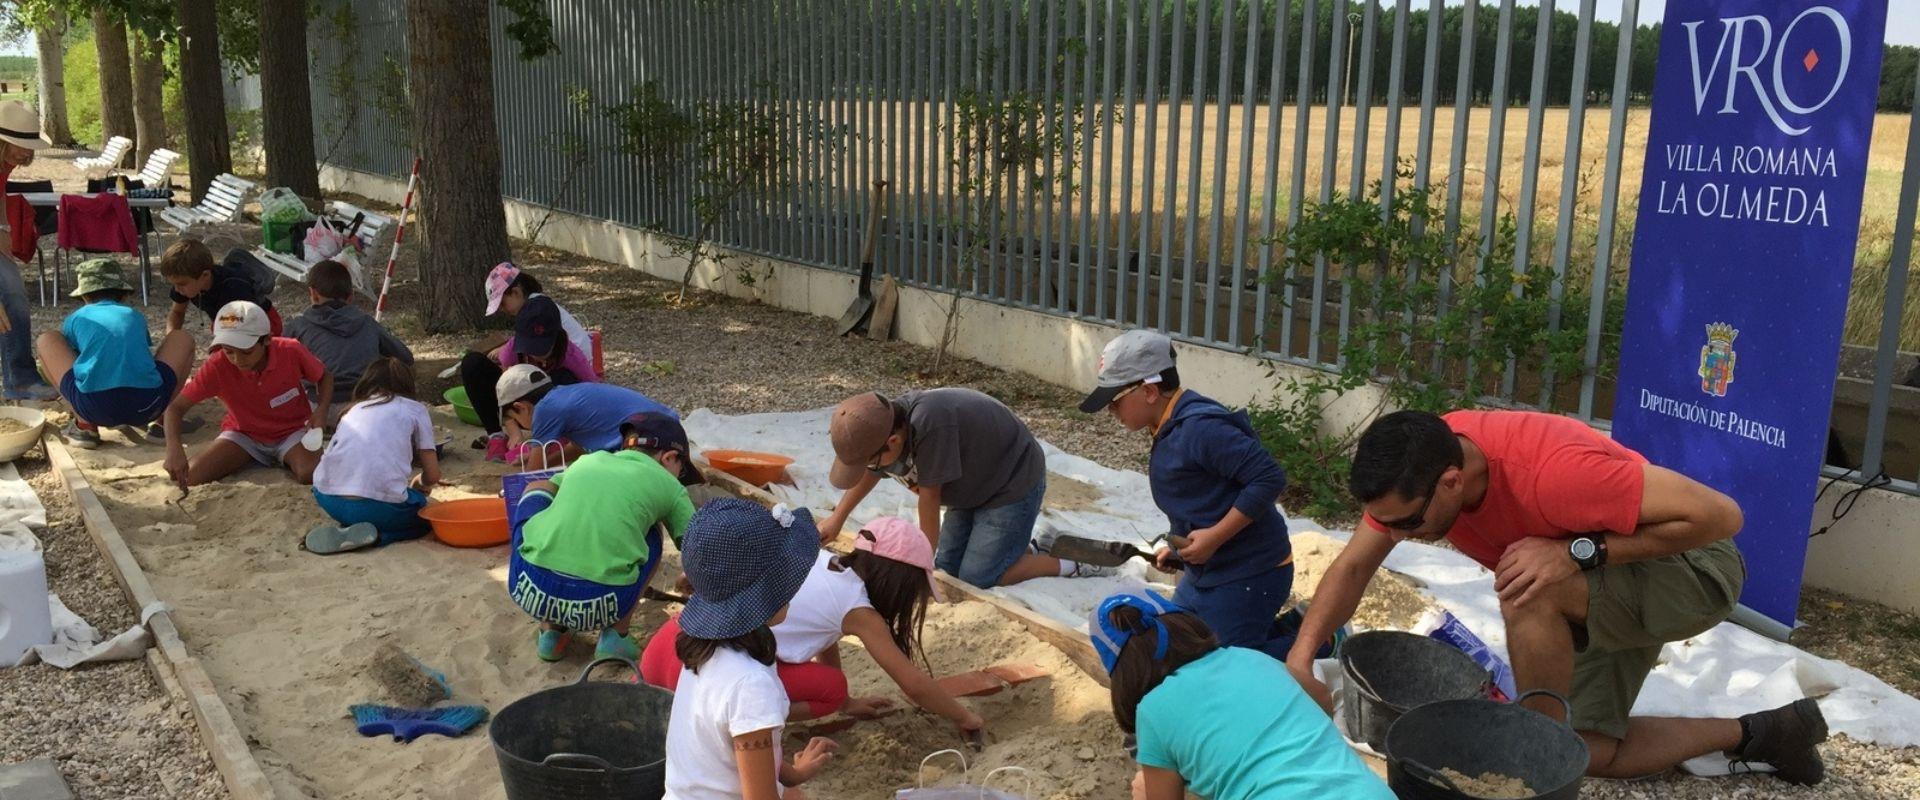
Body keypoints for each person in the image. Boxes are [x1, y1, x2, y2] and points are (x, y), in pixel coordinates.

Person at [1285, 410, 1831, 784]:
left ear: (1451, 481)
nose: (1397, 535)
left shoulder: (1553, 474)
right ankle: (1768, 733)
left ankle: (1529, 767)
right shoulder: (1420, 463)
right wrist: (1302, 657)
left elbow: (1720, 517)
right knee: (1589, 752)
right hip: (1600, 579)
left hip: (1690, 567)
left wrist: (1577, 553)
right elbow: (1355, 564)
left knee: (1526, 589)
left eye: (1407, 523)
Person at [1078, 330, 1333, 661]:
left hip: (1251, 571)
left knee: (1226, 662)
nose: (1111, 410)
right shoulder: (1167, 424)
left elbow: (1268, 477)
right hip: (1210, 571)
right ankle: (1290, 625)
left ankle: (1324, 641)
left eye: (1115, 401)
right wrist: (1179, 547)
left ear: (1149, 391)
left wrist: (1214, 537)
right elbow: (1205, 497)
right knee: (1182, 643)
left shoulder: (1200, 428)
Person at [641, 516, 986, 739]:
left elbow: (825, 633)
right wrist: (965, 716)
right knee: (831, 690)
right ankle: (738, 726)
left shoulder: (824, 561)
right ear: (899, 583)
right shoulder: (860, 611)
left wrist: (848, 704)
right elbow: (914, 686)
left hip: (669, 646)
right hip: (703, 670)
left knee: (834, 690)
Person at [1088, 590, 1392, 800]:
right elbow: (1323, 701)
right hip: (1370, 793)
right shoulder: (1247, 657)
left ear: (1122, 674)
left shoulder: (1152, 711)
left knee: (1144, 788)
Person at [819, 389, 1111, 588]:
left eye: (869, 461)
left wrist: (918, 565)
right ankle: (1028, 546)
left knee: (979, 577)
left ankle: (1070, 564)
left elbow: (929, 500)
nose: (870, 468)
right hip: (969, 487)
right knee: (949, 567)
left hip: (1010, 481)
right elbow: (872, 471)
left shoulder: (928, 425)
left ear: (893, 443)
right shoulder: (882, 425)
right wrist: (837, 518)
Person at [664, 497, 836, 800]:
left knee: (795, 794)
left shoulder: (710, 650)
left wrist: (795, 774)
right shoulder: (750, 684)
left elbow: (747, 751)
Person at [509, 412, 701, 662]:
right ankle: (616, 638)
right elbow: (698, 545)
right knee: (652, 531)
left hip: (527, 587)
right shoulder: (671, 486)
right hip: (604, 603)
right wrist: (691, 575)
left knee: (538, 489)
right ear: (669, 457)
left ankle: (550, 633)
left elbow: (553, 489)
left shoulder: (589, 461)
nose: (679, 476)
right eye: (681, 469)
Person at [162, 301, 331, 488]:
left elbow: (324, 376)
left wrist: (321, 409)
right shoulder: (217, 366)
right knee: (189, 477)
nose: (237, 360)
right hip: (244, 436)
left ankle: (272, 458)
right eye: (229, 352)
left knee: (311, 473)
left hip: (293, 431)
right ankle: (254, 458)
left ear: (266, 340)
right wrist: (174, 449)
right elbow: (175, 407)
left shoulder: (290, 350)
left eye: (246, 351)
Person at [36, 258, 194, 448]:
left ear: (84, 296)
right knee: (181, 338)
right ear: (123, 295)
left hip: (93, 406)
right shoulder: (133, 315)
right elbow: (141, 350)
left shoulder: (76, 318)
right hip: (148, 404)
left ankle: (85, 425)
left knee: (46, 339)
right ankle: (162, 421)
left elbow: (75, 356)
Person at [305, 358, 441, 554]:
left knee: (366, 503)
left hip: (327, 497)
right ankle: (380, 536)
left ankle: (351, 527)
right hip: (377, 508)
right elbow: (433, 475)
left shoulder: (353, 410)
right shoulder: (415, 409)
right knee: (423, 516)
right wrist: (420, 484)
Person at [459, 291, 599, 461]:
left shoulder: (572, 356)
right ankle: (496, 436)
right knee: (472, 363)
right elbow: (506, 393)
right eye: (530, 346)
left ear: (557, 336)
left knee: (565, 379)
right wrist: (514, 432)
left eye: (542, 347)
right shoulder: (511, 351)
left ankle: (557, 437)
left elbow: (593, 393)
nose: (536, 354)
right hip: (519, 409)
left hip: (552, 412)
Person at [284, 259, 412, 420]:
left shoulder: (298, 327)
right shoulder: (367, 323)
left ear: (313, 294)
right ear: (351, 297)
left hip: (317, 410)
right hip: (364, 407)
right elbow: (406, 357)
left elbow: (276, 363)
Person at [493, 364, 676, 467]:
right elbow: (579, 447)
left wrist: (533, 461)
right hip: (668, 428)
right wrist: (545, 460)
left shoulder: (544, 410)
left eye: (517, 420)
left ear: (521, 407)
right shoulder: (563, 395)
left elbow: (534, 471)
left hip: (648, 441)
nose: (523, 427)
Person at [0, 101, 57, 401]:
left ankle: (19, 379)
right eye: (21, 145)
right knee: (6, 301)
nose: (27, 152)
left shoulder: (5, 161)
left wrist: (3, 230)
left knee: (14, 298)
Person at [161, 238, 280, 336]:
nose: (176, 289)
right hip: (228, 323)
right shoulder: (185, 285)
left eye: (181, 284)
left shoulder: (234, 288)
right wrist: (171, 337)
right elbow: (177, 312)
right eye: (173, 284)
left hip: (263, 323)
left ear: (205, 275)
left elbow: (248, 323)